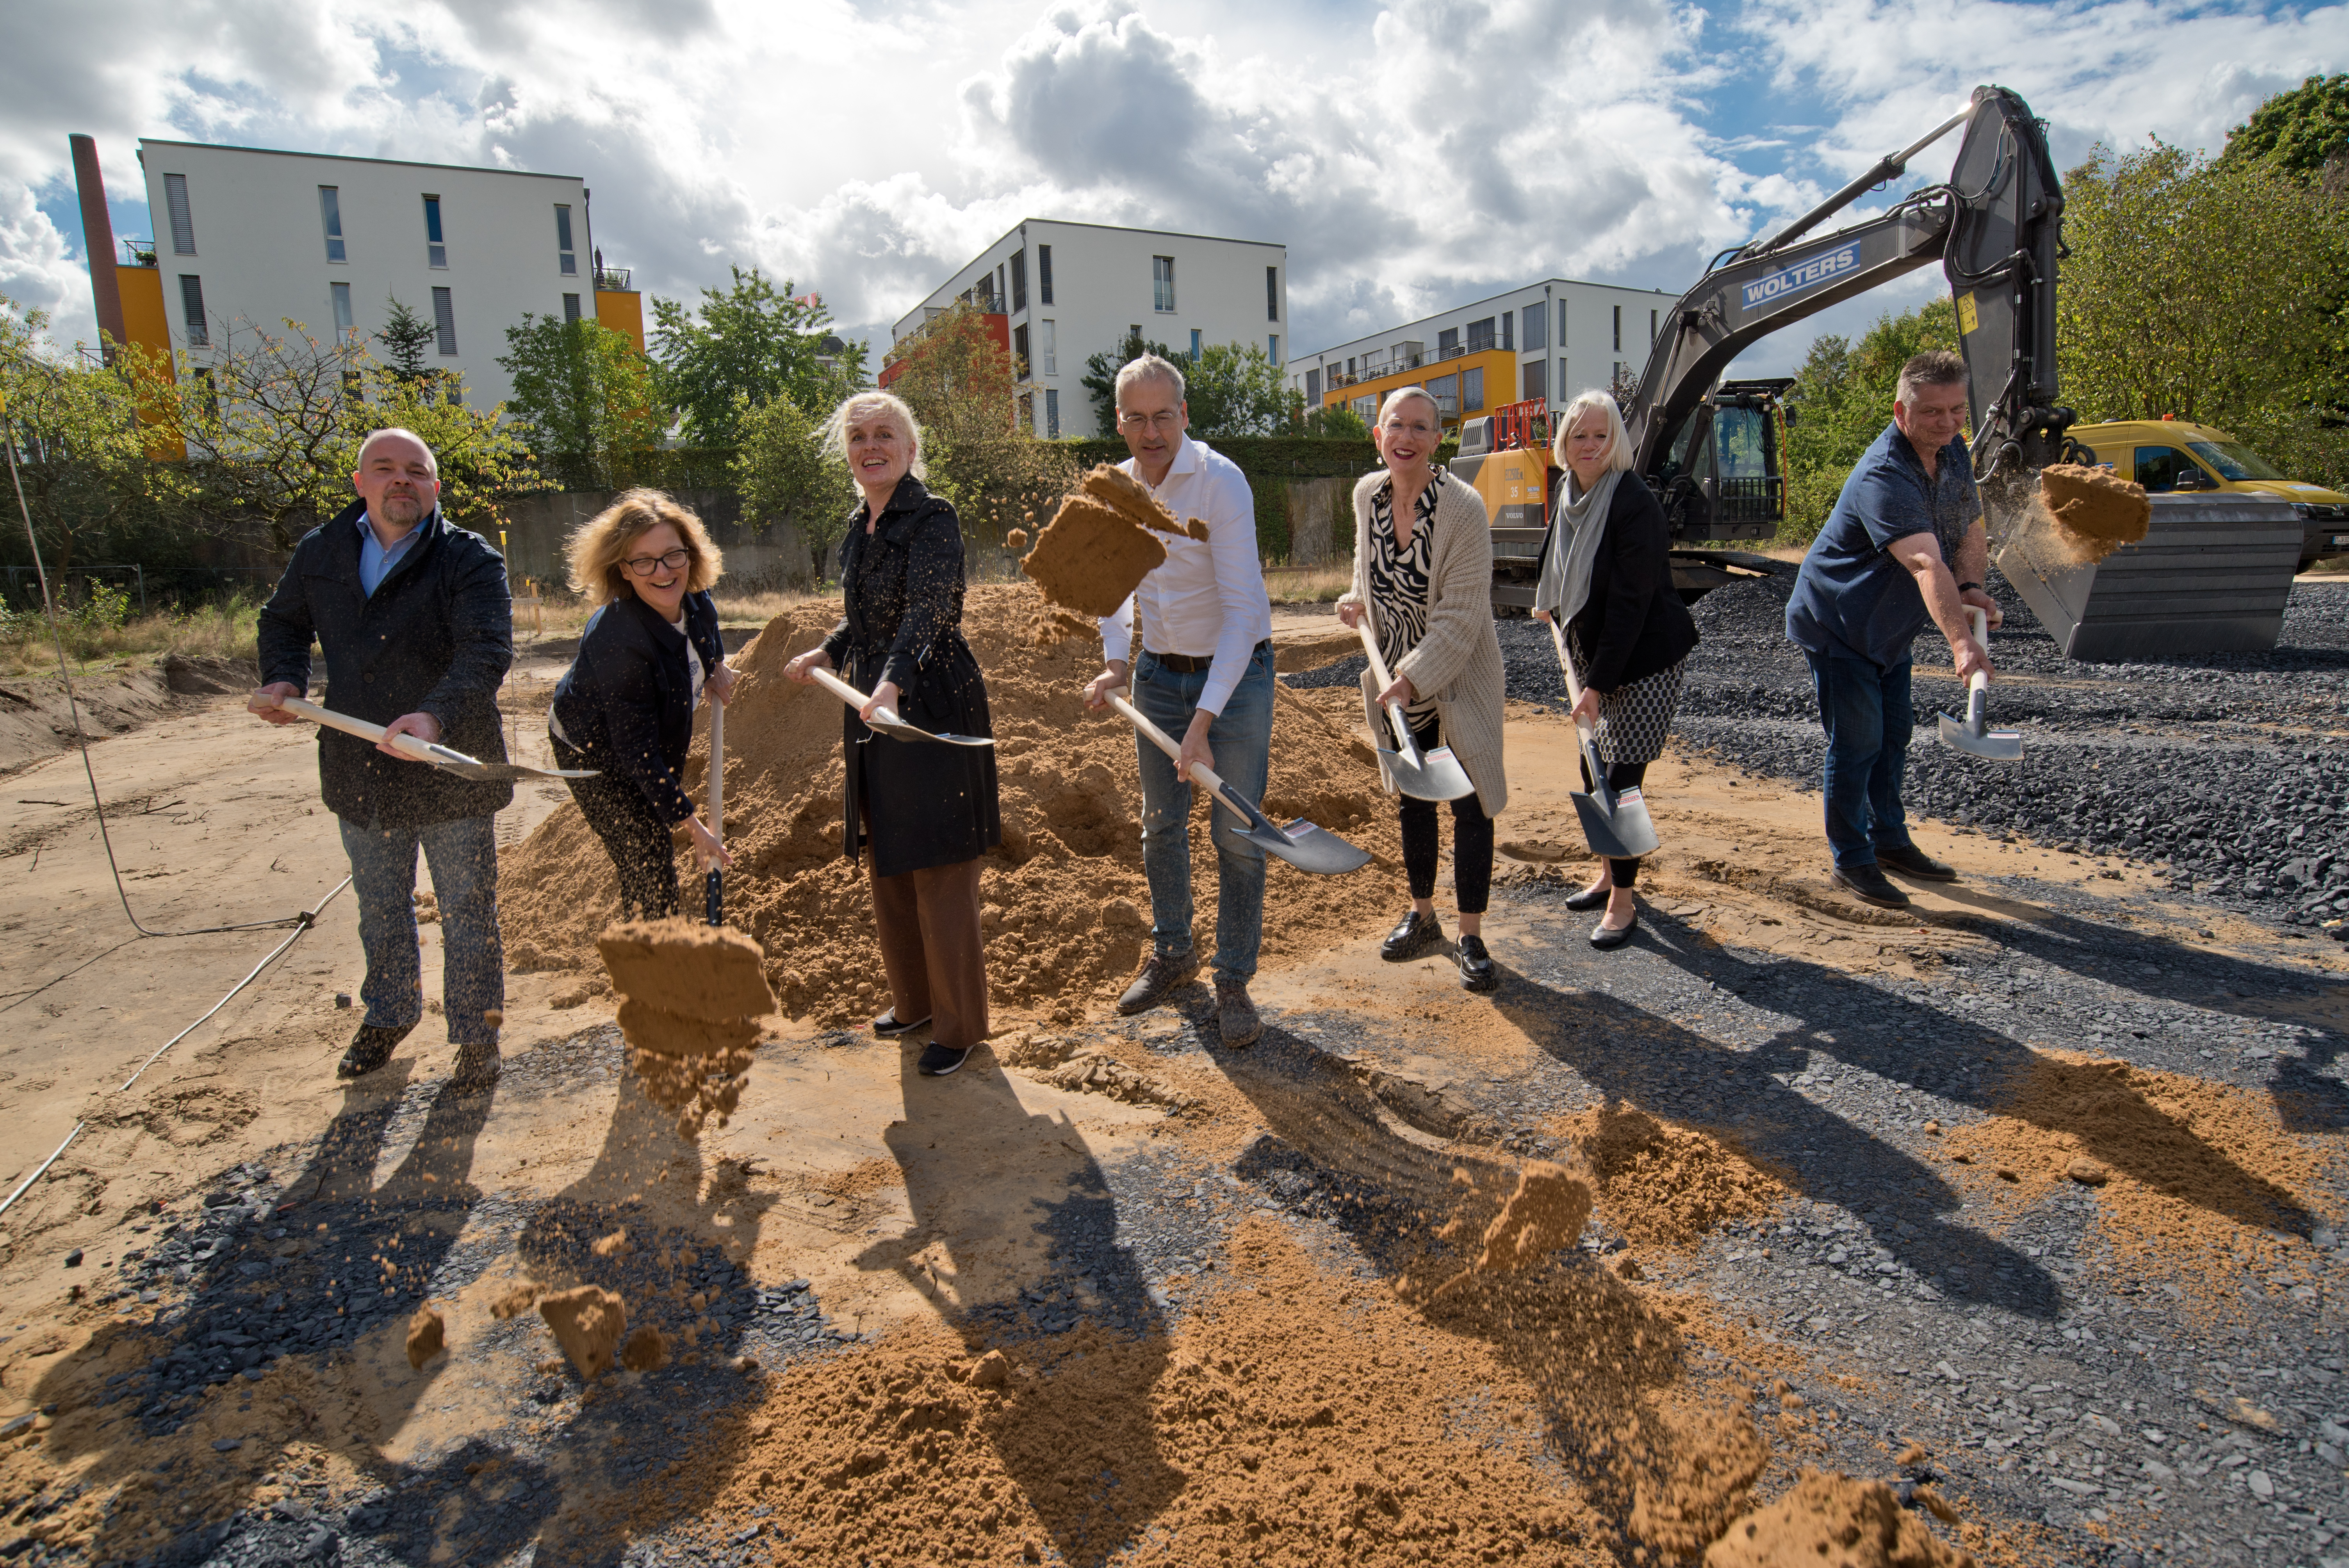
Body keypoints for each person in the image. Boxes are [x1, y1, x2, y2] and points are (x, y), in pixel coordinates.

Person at [250, 427, 513, 1083]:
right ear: (360, 482)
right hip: (360, 766)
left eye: (416, 471)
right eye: (386, 469)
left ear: (435, 486)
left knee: (467, 905)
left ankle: (478, 1032)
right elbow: (282, 622)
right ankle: (391, 1012)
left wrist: (433, 714)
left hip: (449, 763)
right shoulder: (322, 551)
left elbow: (486, 649)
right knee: (381, 903)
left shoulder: (468, 558)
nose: (402, 481)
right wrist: (285, 678)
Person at [784, 392, 1000, 1078]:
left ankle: (960, 1025)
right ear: (846, 453)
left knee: (939, 865)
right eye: (858, 436)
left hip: (929, 702)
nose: (870, 446)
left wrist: (894, 683)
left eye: (885, 435)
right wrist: (826, 649)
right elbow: (866, 617)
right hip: (874, 700)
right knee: (892, 857)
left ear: (910, 451)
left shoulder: (933, 518)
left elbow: (931, 611)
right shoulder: (860, 525)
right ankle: (913, 1002)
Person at [1082, 353, 1276, 1048]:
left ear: (1184, 416)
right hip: (1159, 677)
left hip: (1238, 675)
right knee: (1161, 824)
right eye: (1136, 418)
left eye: (1163, 415)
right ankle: (1173, 952)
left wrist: (1203, 725)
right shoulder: (1115, 489)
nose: (1151, 431)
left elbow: (1244, 612)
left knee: (1236, 832)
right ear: (1119, 422)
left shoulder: (1220, 484)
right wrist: (1113, 664)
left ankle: (1233, 979)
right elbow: (1114, 587)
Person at [1784, 350, 1999, 910]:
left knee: (1894, 735)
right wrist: (1961, 643)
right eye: (1933, 413)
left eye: (1957, 410)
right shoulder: (1886, 473)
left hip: (1889, 628)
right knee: (1858, 742)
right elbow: (1927, 563)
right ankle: (1851, 860)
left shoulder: (1953, 454)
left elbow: (1971, 529)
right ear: (1901, 412)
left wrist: (1973, 586)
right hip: (1839, 623)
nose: (1948, 423)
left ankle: (1889, 841)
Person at [1337, 386, 1508, 991]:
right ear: (1377, 436)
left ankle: (1470, 935)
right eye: (1394, 426)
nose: (1405, 438)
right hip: (1394, 683)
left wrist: (1414, 678)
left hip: (1454, 679)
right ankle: (1423, 917)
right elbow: (1368, 563)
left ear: (1439, 440)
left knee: (1469, 804)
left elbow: (1461, 616)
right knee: (1414, 800)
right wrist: (1357, 599)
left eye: (1419, 427)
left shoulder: (1463, 509)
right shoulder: (1367, 494)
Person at [1533, 389, 1700, 950]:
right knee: (1591, 772)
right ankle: (1608, 875)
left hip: (1646, 659)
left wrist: (1599, 686)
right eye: (1579, 435)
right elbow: (1556, 552)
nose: (1589, 445)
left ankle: (1624, 904)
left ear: (1617, 442)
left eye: (1601, 435)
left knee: (1620, 781)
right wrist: (1545, 596)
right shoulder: (1568, 492)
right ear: (1564, 441)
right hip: (1595, 657)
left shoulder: (1633, 503)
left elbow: (1631, 604)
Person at [546, 490, 738, 922]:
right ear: (623, 571)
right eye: (644, 561)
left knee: (654, 832)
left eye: (673, 555)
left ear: (689, 555)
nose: (663, 571)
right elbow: (636, 753)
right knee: (647, 854)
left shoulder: (694, 598)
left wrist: (714, 666)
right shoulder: (619, 638)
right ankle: (652, 958)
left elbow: (706, 632)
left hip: (642, 739)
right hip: (593, 752)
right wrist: (695, 828)